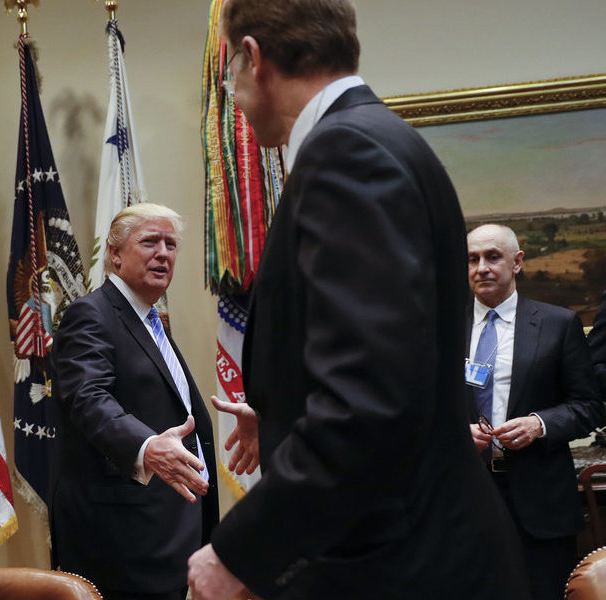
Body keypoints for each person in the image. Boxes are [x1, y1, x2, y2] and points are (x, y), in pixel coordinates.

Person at [188, 1, 529, 598]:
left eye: (230, 71)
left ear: (255, 57)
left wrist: (240, 552)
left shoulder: (345, 153)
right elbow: (394, 362)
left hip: (401, 563)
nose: (233, 92)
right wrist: (280, 416)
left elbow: (369, 402)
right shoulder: (379, 138)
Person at [50, 203, 219, 600]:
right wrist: (145, 447)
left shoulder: (149, 320)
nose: (163, 253)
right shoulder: (90, 315)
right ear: (115, 255)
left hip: (167, 534)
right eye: (150, 242)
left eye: (171, 244)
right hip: (120, 541)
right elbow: (88, 399)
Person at [465, 223, 602, 599]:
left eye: (493, 257)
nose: (482, 268)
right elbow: (424, 409)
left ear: (517, 262)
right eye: (473, 259)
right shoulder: (442, 328)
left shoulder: (558, 324)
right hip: (465, 499)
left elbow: (589, 406)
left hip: (541, 501)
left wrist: (540, 424)